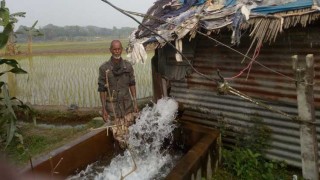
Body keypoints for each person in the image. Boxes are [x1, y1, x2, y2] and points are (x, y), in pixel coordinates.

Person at [98, 40, 138, 148]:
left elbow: (132, 84)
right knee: (117, 135)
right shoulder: (104, 68)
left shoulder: (128, 66)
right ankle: (120, 154)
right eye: (114, 49)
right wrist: (103, 108)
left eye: (119, 49)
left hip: (127, 106)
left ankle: (129, 156)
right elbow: (102, 89)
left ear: (122, 49)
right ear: (110, 50)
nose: (117, 51)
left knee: (129, 132)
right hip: (113, 108)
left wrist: (135, 102)